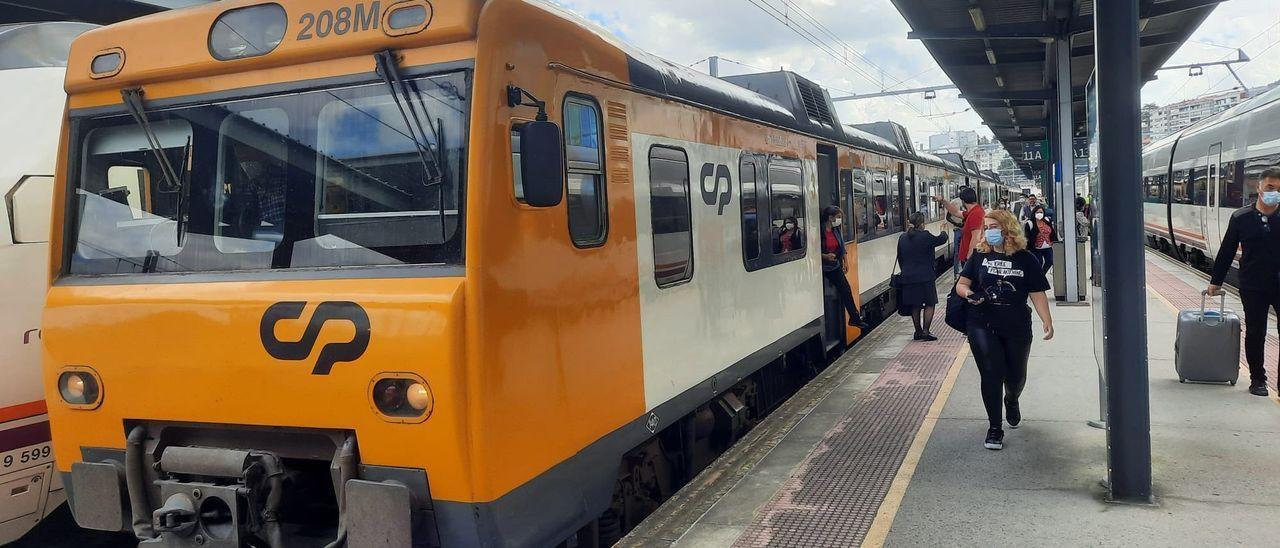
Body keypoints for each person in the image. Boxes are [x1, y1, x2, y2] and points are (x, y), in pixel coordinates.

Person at [956, 209, 1054, 450]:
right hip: (981, 322)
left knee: (1015, 376)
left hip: (1016, 324)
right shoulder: (979, 256)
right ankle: (994, 427)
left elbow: (1036, 292)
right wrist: (970, 295)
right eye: (986, 227)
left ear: (1007, 228)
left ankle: (1012, 399)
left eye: (993, 227)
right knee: (990, 373)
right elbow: (962, 284)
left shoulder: (1026, 259)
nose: (988, 232)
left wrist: (1046, 320)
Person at [1208, 167, 1280, 397]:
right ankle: (1258, 379)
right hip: (1253, 284)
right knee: (1256, 331)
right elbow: (1227, 250)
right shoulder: (1241, 218)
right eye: (1270, 187)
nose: (1274, 193)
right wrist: (1216, 281)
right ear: (1258, 187)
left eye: (1279, 189)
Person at [898, 211, 948, 341]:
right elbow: (941, 239)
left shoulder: (903, 237)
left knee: (915, 304)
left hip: (908, 276)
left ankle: (917, 332)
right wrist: (943, 230)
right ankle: (926, 331)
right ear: (921, 224)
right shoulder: (925, 236)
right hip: (925, 276)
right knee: (930, 303)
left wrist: (905, 270)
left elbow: (900, 257)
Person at [821, 206, 868, 329]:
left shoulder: (836, 230)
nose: (839, 219)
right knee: (843, 290)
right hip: (822, 266)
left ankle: (854, 318)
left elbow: (841, 246)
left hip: (835, 265)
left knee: (846, 290)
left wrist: (845, 261)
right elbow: (814, 251)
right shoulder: (820, 231)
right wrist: (825, 256)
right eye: (838, 217)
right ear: (830, 218)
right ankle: (854, 319)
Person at [937, 186, 984, 268]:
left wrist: (969, 260)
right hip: (967, 258)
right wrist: (943, 200)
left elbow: (975, 238)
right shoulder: (972, 211)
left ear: (963, 201)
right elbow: (955, 212)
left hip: (969, 259)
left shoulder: (976, 214)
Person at [1023, 204, 1056, 274]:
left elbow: (1052, 231)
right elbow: (1027, 237)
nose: (1039, 214)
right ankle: (1038, 276)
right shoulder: (1030, 223)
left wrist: (1054, 241)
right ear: (1034, 213)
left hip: (1048, 246)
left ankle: (1042, 275)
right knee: (1038, 262)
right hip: (1035, 248)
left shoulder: (1047, 220)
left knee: (1050, 261)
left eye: (1041, 212)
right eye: (1037, 212)